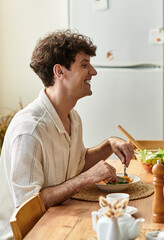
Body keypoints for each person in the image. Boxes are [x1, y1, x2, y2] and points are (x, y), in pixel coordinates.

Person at [0, 29, 134, 239]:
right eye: (84, 65)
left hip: (62, 221)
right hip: (30, 234)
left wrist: (109, 145)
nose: (93, 71)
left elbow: (78, 162)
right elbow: (28, 207)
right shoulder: (29, 131)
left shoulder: (73, 117)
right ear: (59, 72)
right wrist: (85, 179)